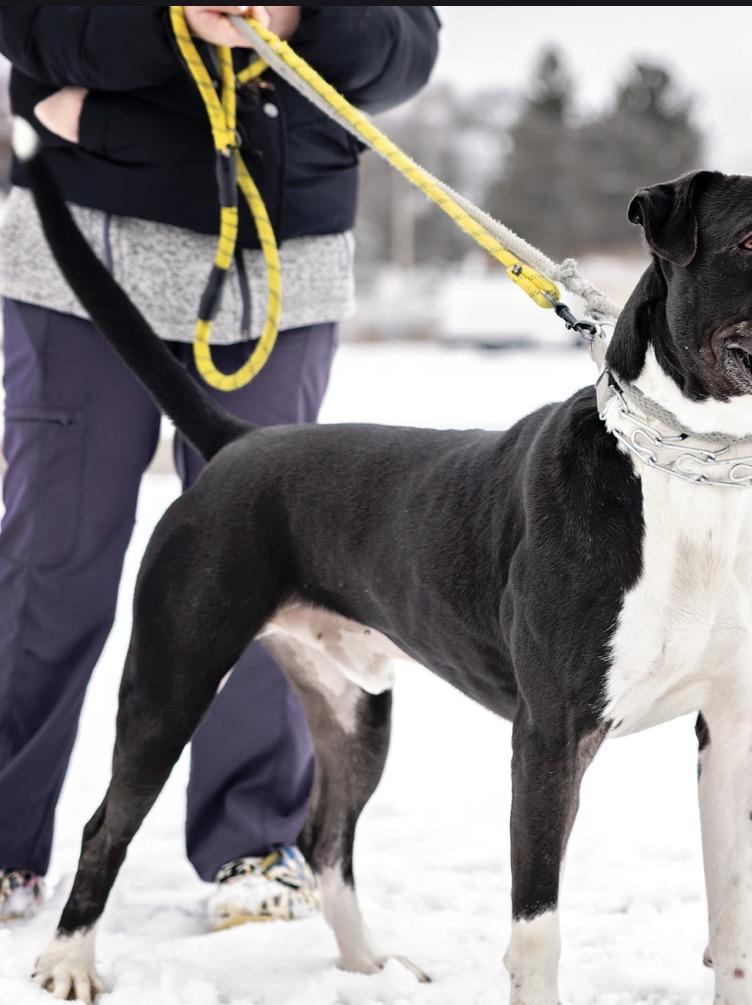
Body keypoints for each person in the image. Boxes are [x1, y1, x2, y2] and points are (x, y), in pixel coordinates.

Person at [0, 5, 439, 928]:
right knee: (53, 562)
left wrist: (293, 15)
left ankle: (253, 840)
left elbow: (403, 51)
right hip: (84, 266)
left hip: (286, 266)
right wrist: (171, 26)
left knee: (274, 573)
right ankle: (4, 839)